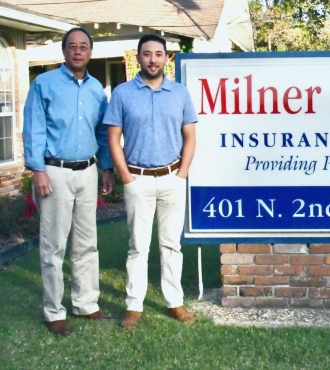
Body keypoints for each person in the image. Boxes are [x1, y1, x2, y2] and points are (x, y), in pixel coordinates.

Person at [23, 28, 114, 337]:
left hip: (87, 171)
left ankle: (86, 304)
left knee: (87, 243)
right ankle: (53, 312)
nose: (78, 51)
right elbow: (34, 128)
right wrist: (38, 170)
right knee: (53, 245)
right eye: (72, 46)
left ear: (90, 52)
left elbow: (102, 132)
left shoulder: (96, 90)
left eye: (84, 47)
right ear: (64, 51)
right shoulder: (43, 84)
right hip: (55, 171)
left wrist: (106, 168)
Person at [103, 34, 198, 328]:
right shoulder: (122, 93)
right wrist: (126, 177)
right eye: (147, 54)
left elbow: (190, 136)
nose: (153, 59)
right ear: (138, 57)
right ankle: (134, 306)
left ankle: (175, 303)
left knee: (171, 245)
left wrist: (181, 173)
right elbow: (113, 138)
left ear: (166, 58)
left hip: (172, 177)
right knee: (137, 246)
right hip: (137, 180)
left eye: (158, 54)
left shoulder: (180, 93)